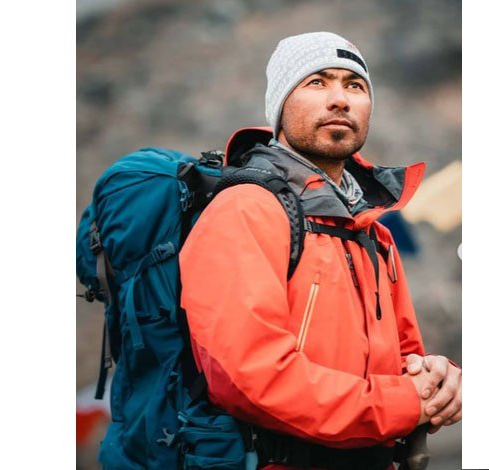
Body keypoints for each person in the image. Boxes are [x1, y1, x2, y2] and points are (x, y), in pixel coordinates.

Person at [179, 31, 461, 470]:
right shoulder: (246, 209)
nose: (340, 100)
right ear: (280, 105)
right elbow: (249, 377)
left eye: (355, 85)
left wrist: (435, 380)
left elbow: (403, 358)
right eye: (317, 82)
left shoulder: (372, 229)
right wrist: (404, 403)